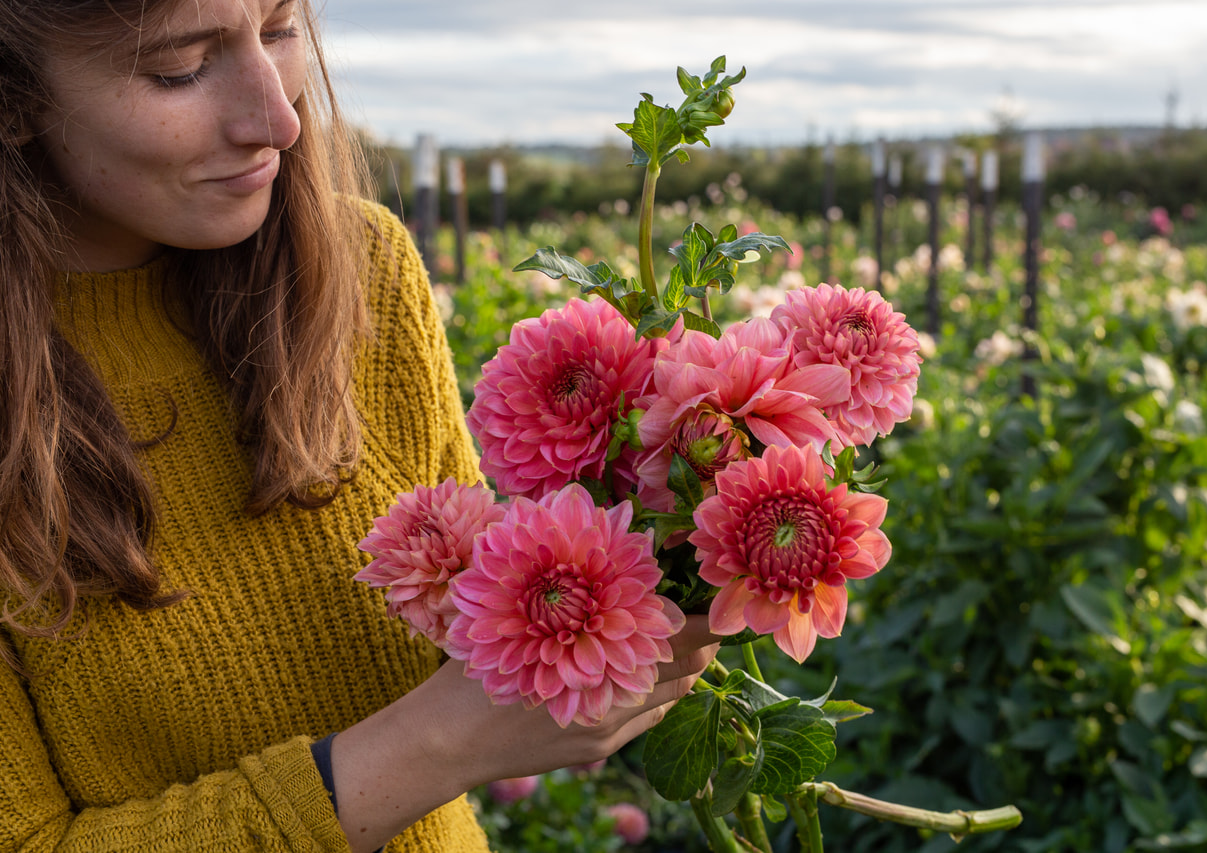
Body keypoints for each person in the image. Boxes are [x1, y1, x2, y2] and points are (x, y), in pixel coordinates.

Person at [0, 1, 719, 851]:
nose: (279, 119)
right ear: (16, 95)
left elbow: (468, 624)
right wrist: (438, 744)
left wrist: (677, 528)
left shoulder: (363, 271)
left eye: (277, 29)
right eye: (180, 69)